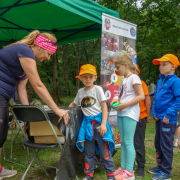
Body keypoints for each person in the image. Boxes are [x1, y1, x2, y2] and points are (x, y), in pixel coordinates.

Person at [0, 30, 69, 179]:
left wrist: (27, 117)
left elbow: (22, 90)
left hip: (3, 96)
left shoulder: (25, 61)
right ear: (41, 47)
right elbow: (37, 84)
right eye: (49, 54)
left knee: (1, 134)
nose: (48, 58)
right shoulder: (25, 51)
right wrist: (57, 109)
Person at [69, 64, 115, 180]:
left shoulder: (98, 89)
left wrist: (104, 124)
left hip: (99, 126)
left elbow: (104, 106)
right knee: (88, 152)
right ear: (80, 78)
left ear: (95, 78)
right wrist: (65, 112)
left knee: (105, 152)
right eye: (85, 77)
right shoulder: (80, 92)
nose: (88, 79)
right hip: (87, 127)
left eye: (90, 76)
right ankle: (88, 175)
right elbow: (73, 104)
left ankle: (110, 175)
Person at [110, 55, 145, 180]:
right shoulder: (124, 80)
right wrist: (115, 100)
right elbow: (120, 96)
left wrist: (124, 105)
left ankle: (129, 171)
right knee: (123, 141)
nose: (117, 70)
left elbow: (141, 96)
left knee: (129, 142)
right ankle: (123, 168)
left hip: (130, 113)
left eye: (118, 67)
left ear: (125, 65)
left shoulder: (134, 77)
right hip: (121, 112)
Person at [147, 54, 180, 180]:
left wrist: (168, 114)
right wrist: (154, 113)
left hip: (168, 120)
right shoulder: (161, 80)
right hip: (159, 118)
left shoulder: (176, 81)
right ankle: (160, 166)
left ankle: (166, 173)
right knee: (158, 143)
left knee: (166, 145)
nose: (160, 67)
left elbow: (178, 99)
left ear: (173, 66)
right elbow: (155, 98)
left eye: (164, 64)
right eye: (160, 64)